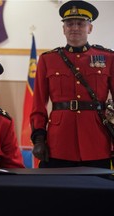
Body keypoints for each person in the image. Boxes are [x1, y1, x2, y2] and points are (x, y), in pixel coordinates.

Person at [30, 0, 114, 169]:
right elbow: (38, 104)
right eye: (69, 23)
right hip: (59, 143)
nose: (74, 27)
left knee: (99, 193)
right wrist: (39, 138)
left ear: (90, 28)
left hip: (96, 142)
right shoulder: (48, 60)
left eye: (80, 23)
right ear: (63, 29)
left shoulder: (108, 58)